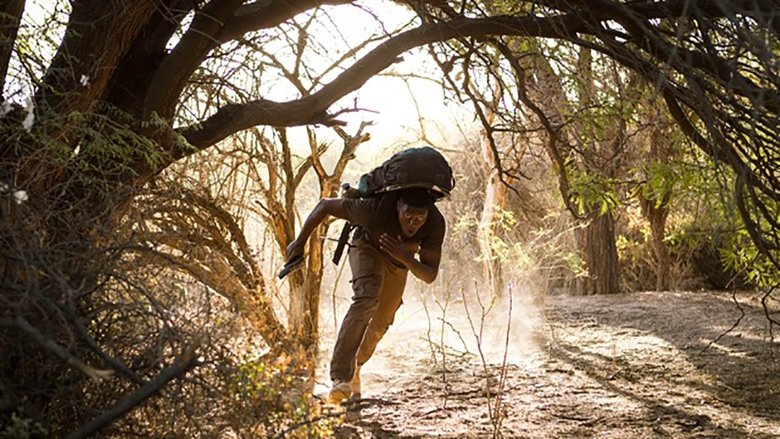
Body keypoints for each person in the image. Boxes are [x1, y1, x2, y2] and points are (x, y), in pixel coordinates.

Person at [285, 186, 446, 403]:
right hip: (367, 246)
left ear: (428, 213)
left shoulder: (435, 223)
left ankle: (356, 367)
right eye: (408, 216)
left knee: (382, 321)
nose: (413, 223)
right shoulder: (373, 209)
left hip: (400, 262)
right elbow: (325, 205)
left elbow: (429, 274)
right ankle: (340, 378)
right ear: (398, 205)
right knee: (366, 299)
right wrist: (300, 242)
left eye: (419, 218)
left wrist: (403, 255)